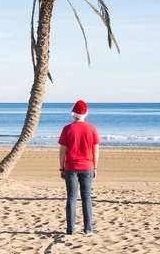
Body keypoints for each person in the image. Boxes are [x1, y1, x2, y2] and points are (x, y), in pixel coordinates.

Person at [58, 100, 100, 235]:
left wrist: (61, 167)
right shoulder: (92, 128)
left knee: (71, 198)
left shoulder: (67, 128)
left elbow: (62, 150)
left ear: (74, 114)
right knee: (86, 197)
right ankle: (88, 229)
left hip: (71, 167)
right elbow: (96, 151)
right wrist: (95, 167)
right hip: (88, 166)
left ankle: (70, 229)